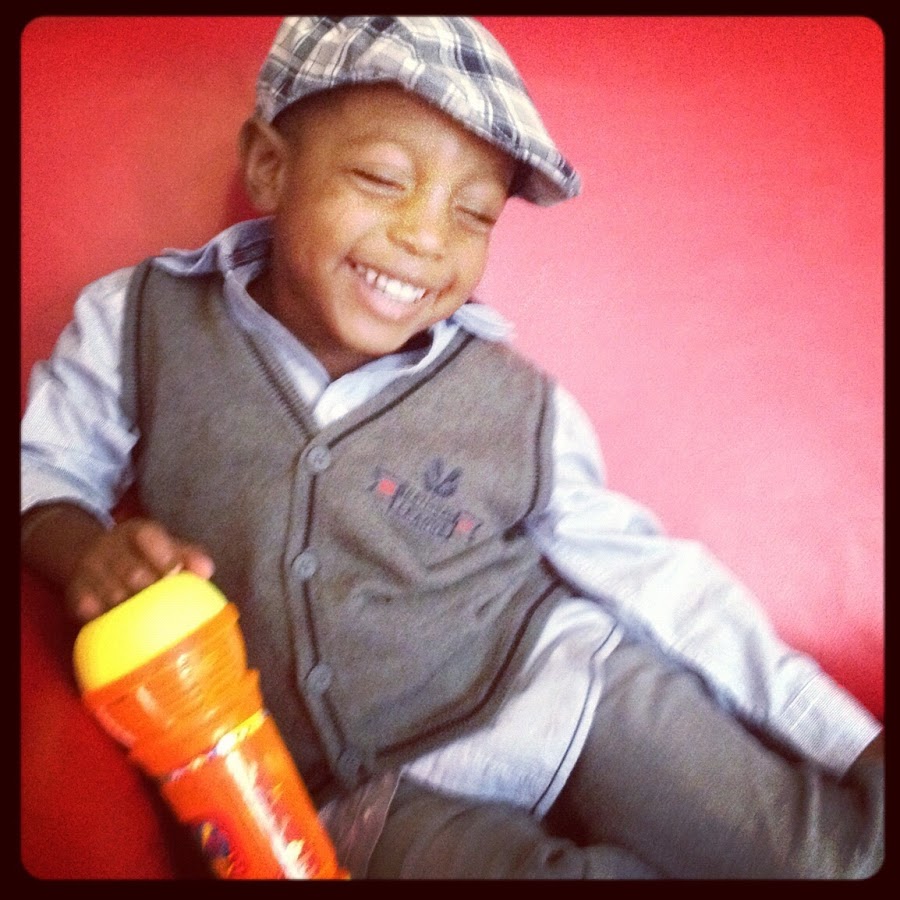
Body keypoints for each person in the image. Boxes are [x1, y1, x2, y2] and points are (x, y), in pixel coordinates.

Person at [20, 16, 883, 879]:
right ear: (270, 167)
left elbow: (657, 578)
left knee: (819, 860)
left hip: (569, 693)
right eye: (381, 179)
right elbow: (44, 470)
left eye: (473, 215)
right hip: (365, 801)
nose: (427, 239)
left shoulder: (517, 402)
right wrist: (84, 549)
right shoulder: (139, 320)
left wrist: (844, 739)